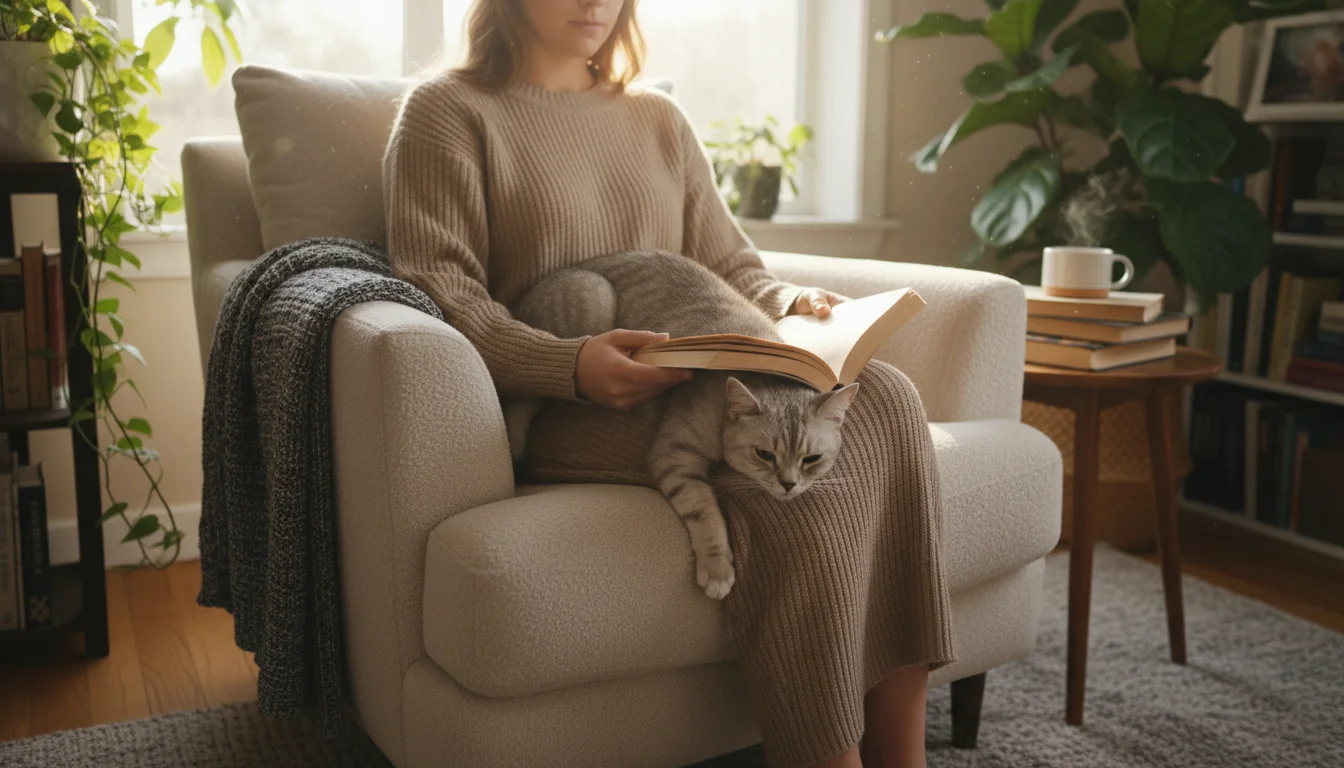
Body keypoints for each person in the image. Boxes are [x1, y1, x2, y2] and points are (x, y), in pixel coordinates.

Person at [383, 1, 955, 766]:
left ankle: (902, 754)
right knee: (767, 479)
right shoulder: (447, 113)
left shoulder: (658, 118)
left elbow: (731, 268)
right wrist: (570, 365)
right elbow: (440, 288)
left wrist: (793, 304)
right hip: (562, 405)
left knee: (887, 395)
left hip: (693, 379)